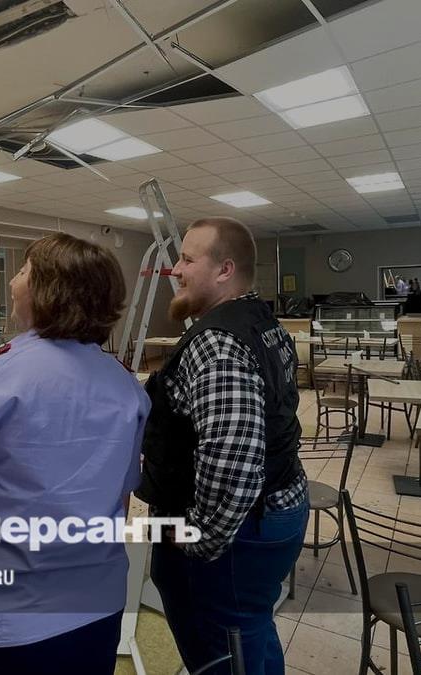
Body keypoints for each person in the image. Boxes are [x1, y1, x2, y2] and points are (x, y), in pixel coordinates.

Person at [0, 232, 150, 675]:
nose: (12, 282)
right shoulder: (126, 388)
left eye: (23, 271)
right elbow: (120, 501)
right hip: (96, 607)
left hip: (2, 621)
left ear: (48, 291)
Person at [137, 217, 308, 674]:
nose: (176, 269)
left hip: (238, 532)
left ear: (225, 270)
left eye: (188, 260)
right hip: (279, 504)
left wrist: (199, 539)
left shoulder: (217, 343)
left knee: (225, 649)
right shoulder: (264, 322)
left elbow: (234, 462)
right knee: (250, 628)